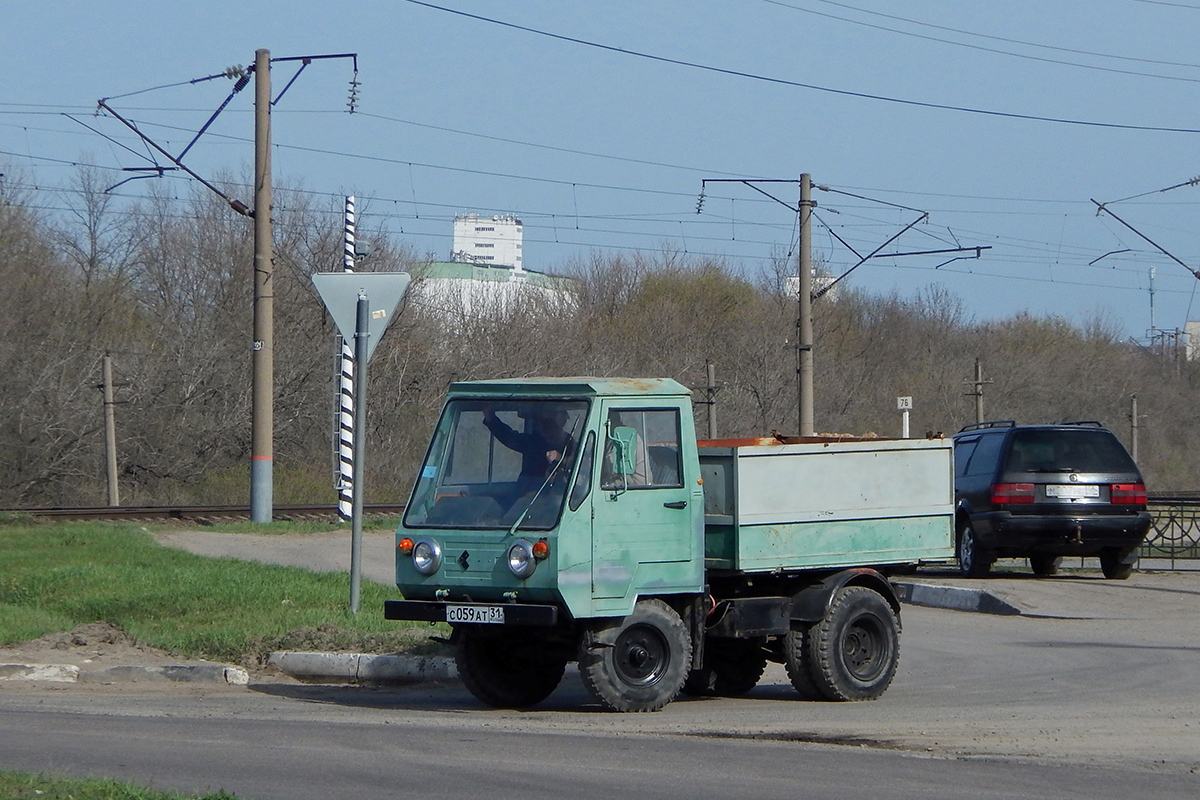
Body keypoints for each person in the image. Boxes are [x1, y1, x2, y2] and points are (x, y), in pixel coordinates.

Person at [482, 405, 573, 494]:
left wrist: (561, 458)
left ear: (562, 421)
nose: (545, 426)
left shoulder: (572, 446)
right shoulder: (534, 442)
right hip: (526, 500)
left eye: (550, 422)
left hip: (558, 502)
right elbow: (509, 437)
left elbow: (581, 467)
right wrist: (491, 418)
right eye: (541, 421)